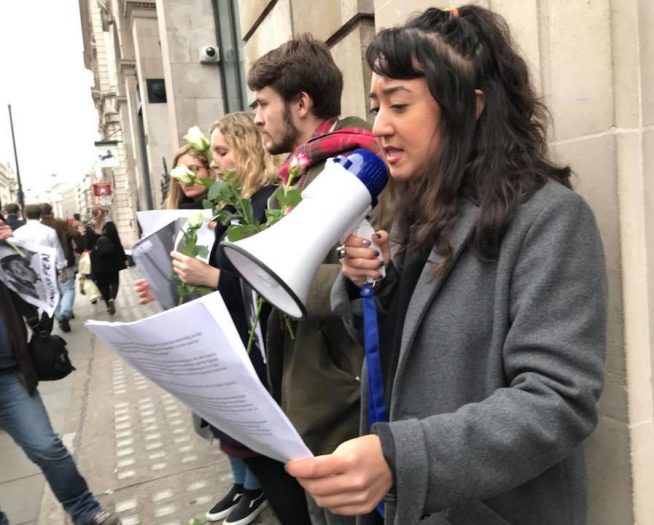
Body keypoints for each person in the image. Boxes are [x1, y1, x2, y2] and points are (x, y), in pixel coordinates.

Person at [287, 6, 608, 525]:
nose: (380, 127)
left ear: (470, 106)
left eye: (399, 104)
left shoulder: (550, 219)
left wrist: (401, 458)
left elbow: (558, 400)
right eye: (375, 106)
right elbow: (402, 354)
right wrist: (372, 286)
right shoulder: (419, 208)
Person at [136, 113, 311, 525]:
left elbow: (277, 287)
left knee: (283, 472)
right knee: (267, 467)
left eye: (220, 151)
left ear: (247, 148)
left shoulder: (267, 202)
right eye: (210, 152)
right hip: (235, 350)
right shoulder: (229, 206)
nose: (211, 162)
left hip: (265, 359)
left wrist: (213, 277)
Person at [246, 34, 390, 525]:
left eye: (263, 104)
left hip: (340, 403)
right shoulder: (301, 169)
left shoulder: (359, 164)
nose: (257, 117)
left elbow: (381, 271)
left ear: (301, 103)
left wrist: (341, 277)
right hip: (309, 393)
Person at [0, 218, 121, 525]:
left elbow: (38, 285)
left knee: (46, 446)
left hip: (9, 373)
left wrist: (11, 248)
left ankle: (86, 511)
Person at [11, 204, 68, 331]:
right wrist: (62, 269)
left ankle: (36, 326)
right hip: (47, 269)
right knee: (51, 299)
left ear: (25, 215)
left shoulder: (17, 233)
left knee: (31, 299)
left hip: (28, 269)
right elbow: (57, 251)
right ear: (40, 215)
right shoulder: (49, 231)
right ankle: (46, 328)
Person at [39, 203, 85, 332]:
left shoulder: (39, 227)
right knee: (68, 289)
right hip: (65, 260)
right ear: (51, 211)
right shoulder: (60, 224)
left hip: (45, 264)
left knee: (54, 291)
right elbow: (76, 234)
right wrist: (79, 249)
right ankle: (65, 313)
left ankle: (59, 316)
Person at [84, 207, 126, 315]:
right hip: (112, 258)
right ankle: (112, 298)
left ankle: (107, 302)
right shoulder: (110, 224)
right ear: (103, 214)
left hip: (97, 260)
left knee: (102, 283)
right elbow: (117, 241)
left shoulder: (89, 227)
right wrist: (123, 257)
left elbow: (87, 245)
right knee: (114, 280)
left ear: (93, 214)